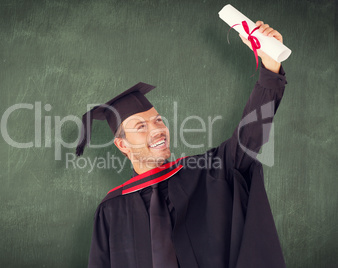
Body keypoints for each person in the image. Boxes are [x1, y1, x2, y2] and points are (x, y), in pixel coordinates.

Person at [76, 21, 288, 268]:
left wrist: (270, 67)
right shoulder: (110, 211)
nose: (157, 130)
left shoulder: (209, 173)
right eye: (141, 126)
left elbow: (250, 135)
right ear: (122, 145)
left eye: (158, 120)